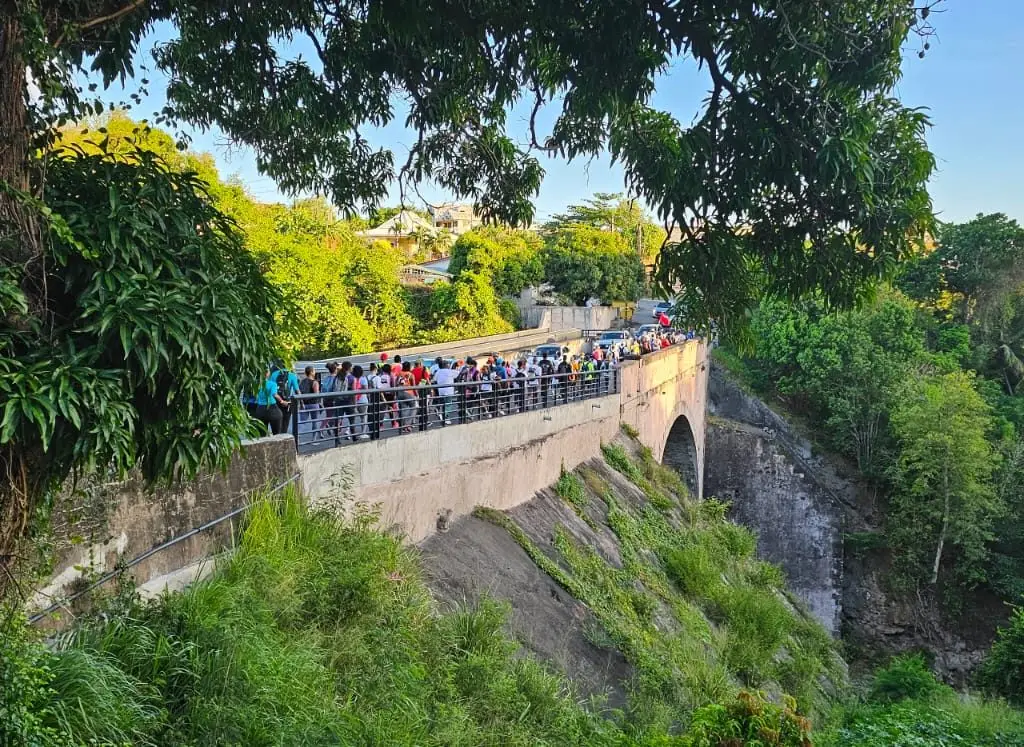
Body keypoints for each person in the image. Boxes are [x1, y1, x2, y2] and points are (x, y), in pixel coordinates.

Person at [254, 368, 287, 435]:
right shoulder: (272, 384)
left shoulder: (256, 384)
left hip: (260, 410)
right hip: (272, 409)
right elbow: (274, 394)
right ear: (267, 374)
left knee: (262, 434)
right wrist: (282, 401)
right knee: (276, 433)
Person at [297, 366, 323, 443]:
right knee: (314, 421)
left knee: (302, 422)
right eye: (314, 371)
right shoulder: (315, 382)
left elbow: (300, 393)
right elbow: (316, 394)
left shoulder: (302, 381)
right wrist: (320, 403)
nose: (315, 372)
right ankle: (314, 440)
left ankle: (297, 437)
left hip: (304, 404)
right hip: (313, 404)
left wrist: (301, 403)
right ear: (311, 372)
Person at [395, 361, 418, 432]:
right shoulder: (411, 374)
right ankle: (408, 424)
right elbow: (414, 387)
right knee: (414, 407)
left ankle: (403, 426)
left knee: (403, 409)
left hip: (400, 393)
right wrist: (417, 394)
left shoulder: (399, 374)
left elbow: (396, 383)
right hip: (408, 393)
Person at [348, 365, 370, 440]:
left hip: (352, 400)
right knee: (363, 417)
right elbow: (366, 389)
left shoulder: (351, 378)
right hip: (362, 400)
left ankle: (348, 431)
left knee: (352, 417)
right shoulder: (363, 379)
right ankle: (363, 433)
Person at [433, 359, 458, 424]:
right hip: (449, 391)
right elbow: (458, 374)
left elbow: (434, 379)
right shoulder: (450, 371)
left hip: (441, 391)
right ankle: (445, 417)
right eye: (448, 364)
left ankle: (442, 414)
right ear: (446, 365)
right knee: (448, 404)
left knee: (443, 404)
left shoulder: (438, 372)